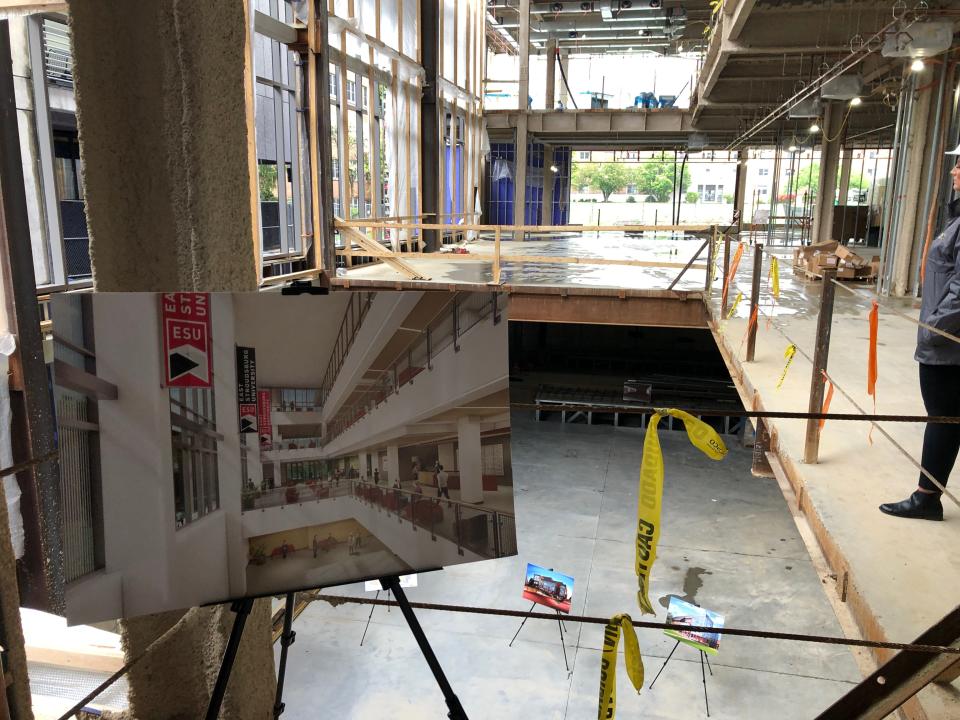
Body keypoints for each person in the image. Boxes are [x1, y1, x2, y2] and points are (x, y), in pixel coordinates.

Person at [880, 146, 960, 521]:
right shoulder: (956, 217)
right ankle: (928, 495)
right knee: (946, 417)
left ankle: (926, 497)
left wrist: (932, 331)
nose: (954, 171)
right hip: (944, 343)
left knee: (943, 417)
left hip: (948, 347)